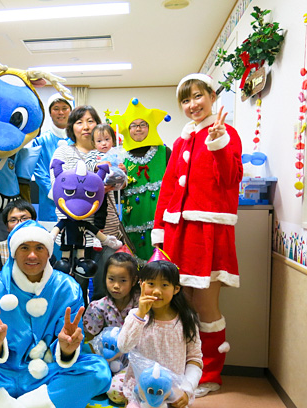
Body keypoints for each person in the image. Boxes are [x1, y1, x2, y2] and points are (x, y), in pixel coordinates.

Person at [0, 220, 112, 408]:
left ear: (49, 252)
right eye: (24, 247)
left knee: (99, 370)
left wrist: (67, 349)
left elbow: (69, 343)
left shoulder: (68, 288)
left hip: (47, 376)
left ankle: (28, 404)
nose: (32, 255)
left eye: (39, 248)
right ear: (14, 252)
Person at [151, 73, 243, 397]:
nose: (192, 104)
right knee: (181, 304)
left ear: (212, 96)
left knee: (205, 305)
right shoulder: (181, 142)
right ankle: (184, 367)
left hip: (207, 233)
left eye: (198, 96)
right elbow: (167, 188)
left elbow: (230, 178)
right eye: (186, 100)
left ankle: (210, 375)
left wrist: (218, 143)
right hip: (178, 232)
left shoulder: (226, 133)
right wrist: (159, 230)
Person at [116, 260, 203, 408]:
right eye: (151, 284)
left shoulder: (186, 319)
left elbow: (194, 359)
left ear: (176, 289)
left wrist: (186, 390)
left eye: (164, 285)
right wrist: (140, 314)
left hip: (173, 392)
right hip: (141, 391)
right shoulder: (136, 315)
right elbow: (123, 347)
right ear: (141, 284)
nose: (157, 291)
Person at [50, 106, 107, 299]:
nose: (86, 126)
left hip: (103, 226)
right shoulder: (63, 152)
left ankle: (98, 317)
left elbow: (118, 183)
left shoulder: (104, 151)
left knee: (103, 283)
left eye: (90, 121)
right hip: (71, 226)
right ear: (71, 127)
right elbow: (58, 187)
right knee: (74, 284)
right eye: (79, 122)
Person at [120, 98, 172, 264]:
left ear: (150, 127)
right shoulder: (120, 158)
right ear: (128, 130)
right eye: (133, 125)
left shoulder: (165, 152)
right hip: (132, 222)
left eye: (143, 124)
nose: (138, 128)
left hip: (162, 225)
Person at [84, 252, 140, 404]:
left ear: (134, 280)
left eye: (123, 280)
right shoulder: (99, 306)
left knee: (116, 392)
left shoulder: (141, 306)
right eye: (111, 279)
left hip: (135, 362)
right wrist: (104, 360)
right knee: (89, 381)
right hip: (108, 359)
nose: (116, 286)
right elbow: (90, 338)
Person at [91, 124, 128, 298]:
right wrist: (98, 168)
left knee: (109, 270)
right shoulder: (92, 157)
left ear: (113, 140)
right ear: (94, 143)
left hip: (111, 224)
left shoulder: (116, 155)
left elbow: (122, 185)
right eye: (99, 141)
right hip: (93, 219)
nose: (104, 143)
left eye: (107, 140)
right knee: (98, 278)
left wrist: (121, 173)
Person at [32, 93, 73, 222]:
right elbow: (38, 169)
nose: (60, 112)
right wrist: (51, 192)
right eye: (56, 108)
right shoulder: (40, 141)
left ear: (71, 111)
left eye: (64, 108)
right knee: (50, 232)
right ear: (50, 113)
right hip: (49, 200)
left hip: (76, 199)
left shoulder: (78, 140)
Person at [0, 199, 38, 276]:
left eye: (24, 218)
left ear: (34, 221)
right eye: (13, 220)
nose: (19, 223)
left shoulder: (44, 247)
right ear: (7, 226)